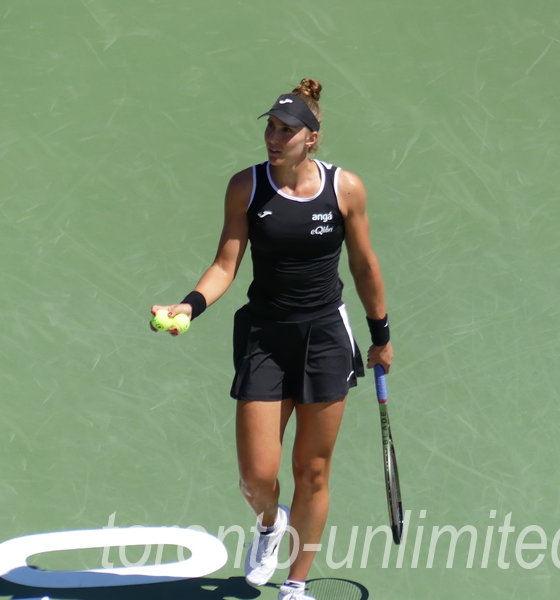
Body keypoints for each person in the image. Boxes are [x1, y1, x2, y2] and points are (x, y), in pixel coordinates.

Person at [151, 78, 393, 600]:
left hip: (326, 336)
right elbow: (225, 264)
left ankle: (296, 585)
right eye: (271, 127)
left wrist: (381, 336)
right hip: (265, 337)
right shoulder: (247, 186)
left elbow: (364, 265)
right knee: (257, 477)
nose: (274, 137)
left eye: (287, 130)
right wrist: (187, 306)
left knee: (313, 469)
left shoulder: (344, 188)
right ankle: (268, 522)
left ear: (312, 138)